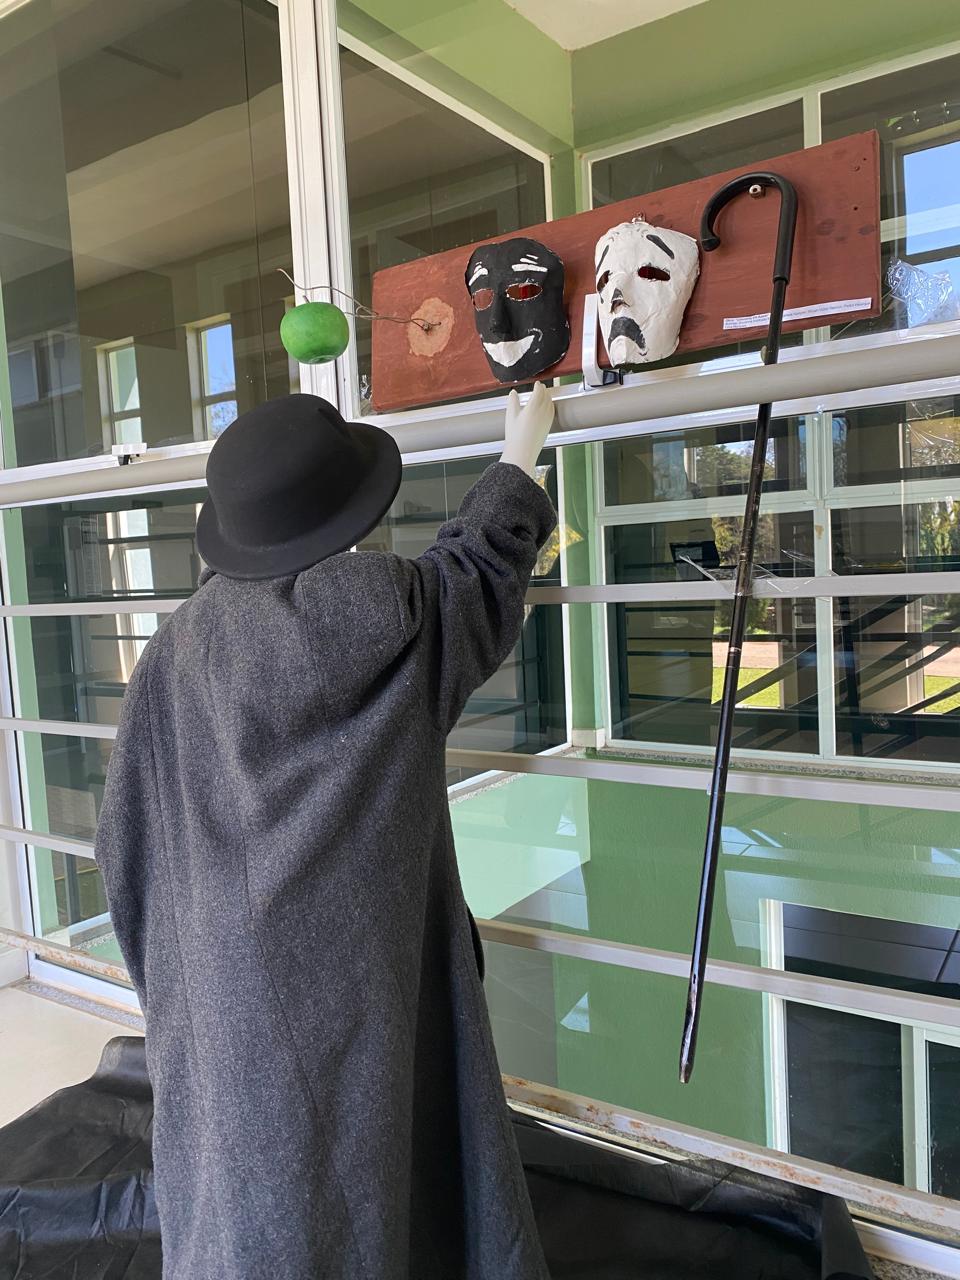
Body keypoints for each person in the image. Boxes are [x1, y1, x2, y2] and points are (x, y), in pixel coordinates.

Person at [94, 385, 558, 1280]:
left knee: (240, 1202)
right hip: (364, 987)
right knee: (386, 1176)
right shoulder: (394, 614)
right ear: (352, 510)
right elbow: (479, 571)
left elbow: (124, 847)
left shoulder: (170, 656)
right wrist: (519, 452)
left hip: (222, 1001)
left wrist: (182, 976)